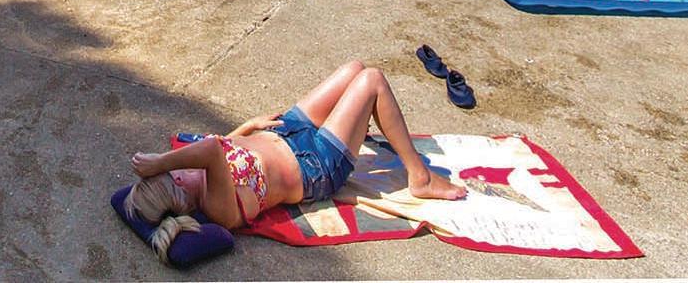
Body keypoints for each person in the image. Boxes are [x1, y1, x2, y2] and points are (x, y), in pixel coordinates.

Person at [124, 60, 463, 241]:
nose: (174, 169)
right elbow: (212, 149)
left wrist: (248, 126)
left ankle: (356, 121)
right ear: (177, 186)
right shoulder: (217, 209)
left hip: (287, 129)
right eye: (171, 174)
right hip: (315, 163)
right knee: (372, 80)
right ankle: (419, 176)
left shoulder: (198, 172)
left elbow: (221, 143)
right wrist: (160, 162)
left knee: (354, 69)